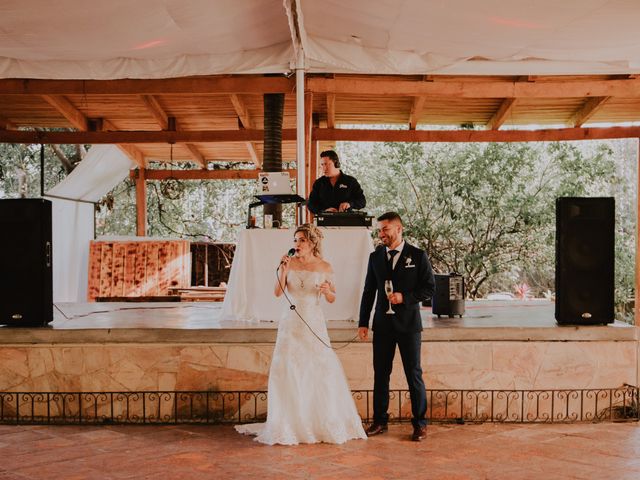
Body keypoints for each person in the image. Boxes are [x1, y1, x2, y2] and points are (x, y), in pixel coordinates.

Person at [236, 224, 367, 445]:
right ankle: (289, 423)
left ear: (312, 243)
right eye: (295, 240)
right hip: (290, 322)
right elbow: (277, 293)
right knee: (288, 367)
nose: (296, 244)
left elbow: (332, 297)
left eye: (301, 240)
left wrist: (327, 291)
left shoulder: (325, 266)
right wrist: (284, 269)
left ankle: (319, 422)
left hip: (313, 321)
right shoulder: (288, 263)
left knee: (318, 368)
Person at [358, 212, 435, 442]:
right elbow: (368, 291)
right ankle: (380, 421)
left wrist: (406, 297)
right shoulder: (375, 257)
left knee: (414, 374)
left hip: (409, 325)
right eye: (380, 230)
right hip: (382, 325)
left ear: (399, 229)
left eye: (385, 229)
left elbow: (429, 289)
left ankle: (420, 424)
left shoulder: (418, 256)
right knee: (381, 374)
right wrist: (364, 322)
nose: (381, 234)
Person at [307, 150, 366, 214]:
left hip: (346, 222)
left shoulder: (351, 181)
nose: (324, 168)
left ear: (336, 163)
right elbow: (311, 204)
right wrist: (324, 211)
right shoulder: (318, 183)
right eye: (322, 165)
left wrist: (349, 204)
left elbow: (362, 201)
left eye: (327, 164)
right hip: (324, 222)